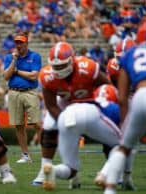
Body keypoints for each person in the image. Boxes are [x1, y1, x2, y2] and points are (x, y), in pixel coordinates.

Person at [102, 21, 146, 194]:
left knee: (124, 144)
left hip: (140, 96)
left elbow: (121, 96)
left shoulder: (131, 54)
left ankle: (109, 187)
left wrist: (124, 121)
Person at [32, 42, 110, 186]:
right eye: (55, 66)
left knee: (109, 133)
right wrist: (65, 122)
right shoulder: (47, 76)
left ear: (72, 60)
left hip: (91, 101)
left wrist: (104, 108)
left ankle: (113, 171)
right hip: (67, 102)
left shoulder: (87, 67)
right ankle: (44, 169)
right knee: (49, 124)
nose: (58, 69)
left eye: (62, 65)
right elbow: (51, 105)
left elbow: (107, 87)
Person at [3, 32, 42, 163]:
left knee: (36, 123)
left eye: (21, 42)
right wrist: (14, 61)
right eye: (17, 43)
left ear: (26, 43)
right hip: (14, 92)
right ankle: (25, 155)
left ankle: (46, 152)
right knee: (19, 125)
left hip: (30, 91)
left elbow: (33, 76)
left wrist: (17, 72)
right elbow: (6, 76)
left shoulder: (34, 56)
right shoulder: (10, 58)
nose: (18, 45)